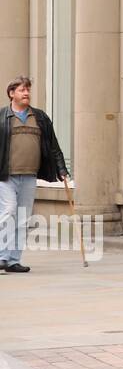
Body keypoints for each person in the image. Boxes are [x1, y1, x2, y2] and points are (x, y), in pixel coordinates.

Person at [0, 76, 70, 274]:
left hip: (29, 175)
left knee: (22, 218)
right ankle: (2, 256)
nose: (26, 93)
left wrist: (62, 169)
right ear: (11, 93)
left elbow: (53, 145)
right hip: (5, 176)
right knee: (8, 212)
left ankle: (13, 260)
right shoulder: (1, 117)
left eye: (28, 90)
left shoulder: (40, 117)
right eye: (22, 90)